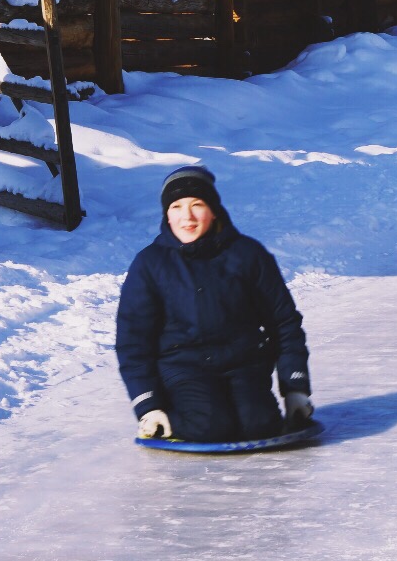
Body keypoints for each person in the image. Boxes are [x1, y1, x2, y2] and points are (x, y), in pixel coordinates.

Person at [116, 165, 313, 443]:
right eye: (176, 206)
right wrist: (148, 406)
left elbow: (283, 322)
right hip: (183, 367)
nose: (187, 216)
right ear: (166, 215)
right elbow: (132, 340)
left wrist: (295, 388)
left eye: (197, 204)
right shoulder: (150, 264)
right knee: (209, 427)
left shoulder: (247, 254)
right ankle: (177, 415)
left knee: (260, 425)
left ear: (213, 209)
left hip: (243, 363)